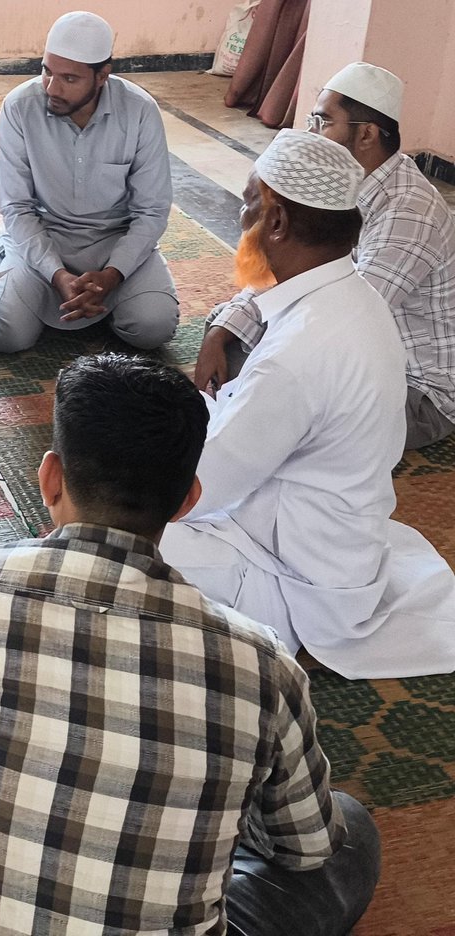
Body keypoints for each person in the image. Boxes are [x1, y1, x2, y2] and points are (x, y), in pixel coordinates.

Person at [0, 352, 380, 936]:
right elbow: (306, 848)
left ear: (50, 477)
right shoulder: (260, 665)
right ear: (187, 499)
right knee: (349, 830)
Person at [162, 129, 455, 679]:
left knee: (119, 534)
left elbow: (198, 492)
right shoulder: (353, 299)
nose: (239, 221)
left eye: (248, 205)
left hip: (292, 579)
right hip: (338, 550)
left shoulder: (295, 355)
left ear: (276, 223)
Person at [195, 62, 455, 450]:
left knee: (270, 384)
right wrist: (222, 331)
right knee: (227, 329)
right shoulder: (343, 188)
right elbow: (291, 269)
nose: (313, 135)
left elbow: (342, 322)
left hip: (413, 390)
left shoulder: (409, 212)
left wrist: (264, 357)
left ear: (366, 134)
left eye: (323, 122)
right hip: (349, 349)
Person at [0, 11, 178, 353]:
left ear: (102, 76)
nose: (52, 87)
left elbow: (151, 212)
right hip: (44, 238)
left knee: (153, 327)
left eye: (69, 78)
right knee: (6, 337)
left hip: (115, 242)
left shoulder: (140, 111)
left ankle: (105, 304)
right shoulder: (20, 107)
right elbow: (16, 207)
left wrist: (112, 275)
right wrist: (57, 274)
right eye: (46, 71)